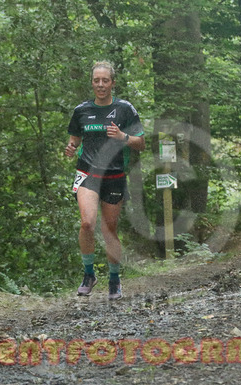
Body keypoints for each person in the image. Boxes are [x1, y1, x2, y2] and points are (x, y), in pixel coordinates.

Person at [65, 61, 145, 300]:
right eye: (96, 80)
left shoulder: (125, 109)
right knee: (86, 224)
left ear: (113, 83)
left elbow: (141, 143)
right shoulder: (81, 110)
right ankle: (89, 274)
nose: (100, 85)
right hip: (88, 173)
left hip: (114, 175)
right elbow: (74, 140)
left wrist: (123, 136)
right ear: (92, 83)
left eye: (105, 80)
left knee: (109, 230)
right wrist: (70, 148)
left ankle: (114, 278)